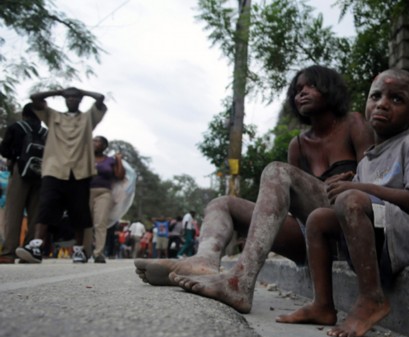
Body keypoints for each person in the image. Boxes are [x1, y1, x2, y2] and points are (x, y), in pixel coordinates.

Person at [135, 65, 375, 310]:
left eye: (310, 86)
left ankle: (241, 280)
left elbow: (377, 183)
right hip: (309, 236)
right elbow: (293, 207)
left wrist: (351, 183)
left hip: (347, 227)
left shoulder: (353, 123)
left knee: (276, 171)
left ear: (329, 88)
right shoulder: (299, 145)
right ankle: (203, 261)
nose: (302, 93)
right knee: (221, 203)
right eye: (298, 89)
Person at [276, 68, 409, 337]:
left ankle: (372, 299)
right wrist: (353, 182)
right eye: (376, 96)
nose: (382, 104)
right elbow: (362, 200)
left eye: (396, 99)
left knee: (352, 198)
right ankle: (322, 304)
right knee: (319, 218)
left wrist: (360, 187)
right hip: (387, 232)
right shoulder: (369, 159)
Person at [15, 87, 107, 264]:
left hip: (79, 171)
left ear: (80, 100)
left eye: (75, 97)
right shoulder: (53, 116)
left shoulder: (88, 118)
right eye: (69, 97)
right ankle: (36, 246)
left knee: (79, 210)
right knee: (47, 205)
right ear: (64, 99)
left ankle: (79, 250)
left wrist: (81, 91)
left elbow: (100, 98)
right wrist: (59, 91)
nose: (71, 99)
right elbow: (34, 98)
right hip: (55, 169)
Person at [0, 103, 46, 264]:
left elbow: (5, 150)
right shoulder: (45, 132)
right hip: (41, 174)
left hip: (20, 172)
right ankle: (28, 250)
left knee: (13, 212)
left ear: (24, 114)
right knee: (35, 214)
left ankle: (9, 252)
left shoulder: (17, 127)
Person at [83, 136, 125, 263]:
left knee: (100, 223)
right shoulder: (86, 158)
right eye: (93, 140)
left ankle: (98, 253)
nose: (94, 143)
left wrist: (118, 160)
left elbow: (120, 175)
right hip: (86, 192)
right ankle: (84, 252)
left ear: (104, 146)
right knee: (85, 222)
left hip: (104, 193)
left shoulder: (110, 160)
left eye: (97, 141)